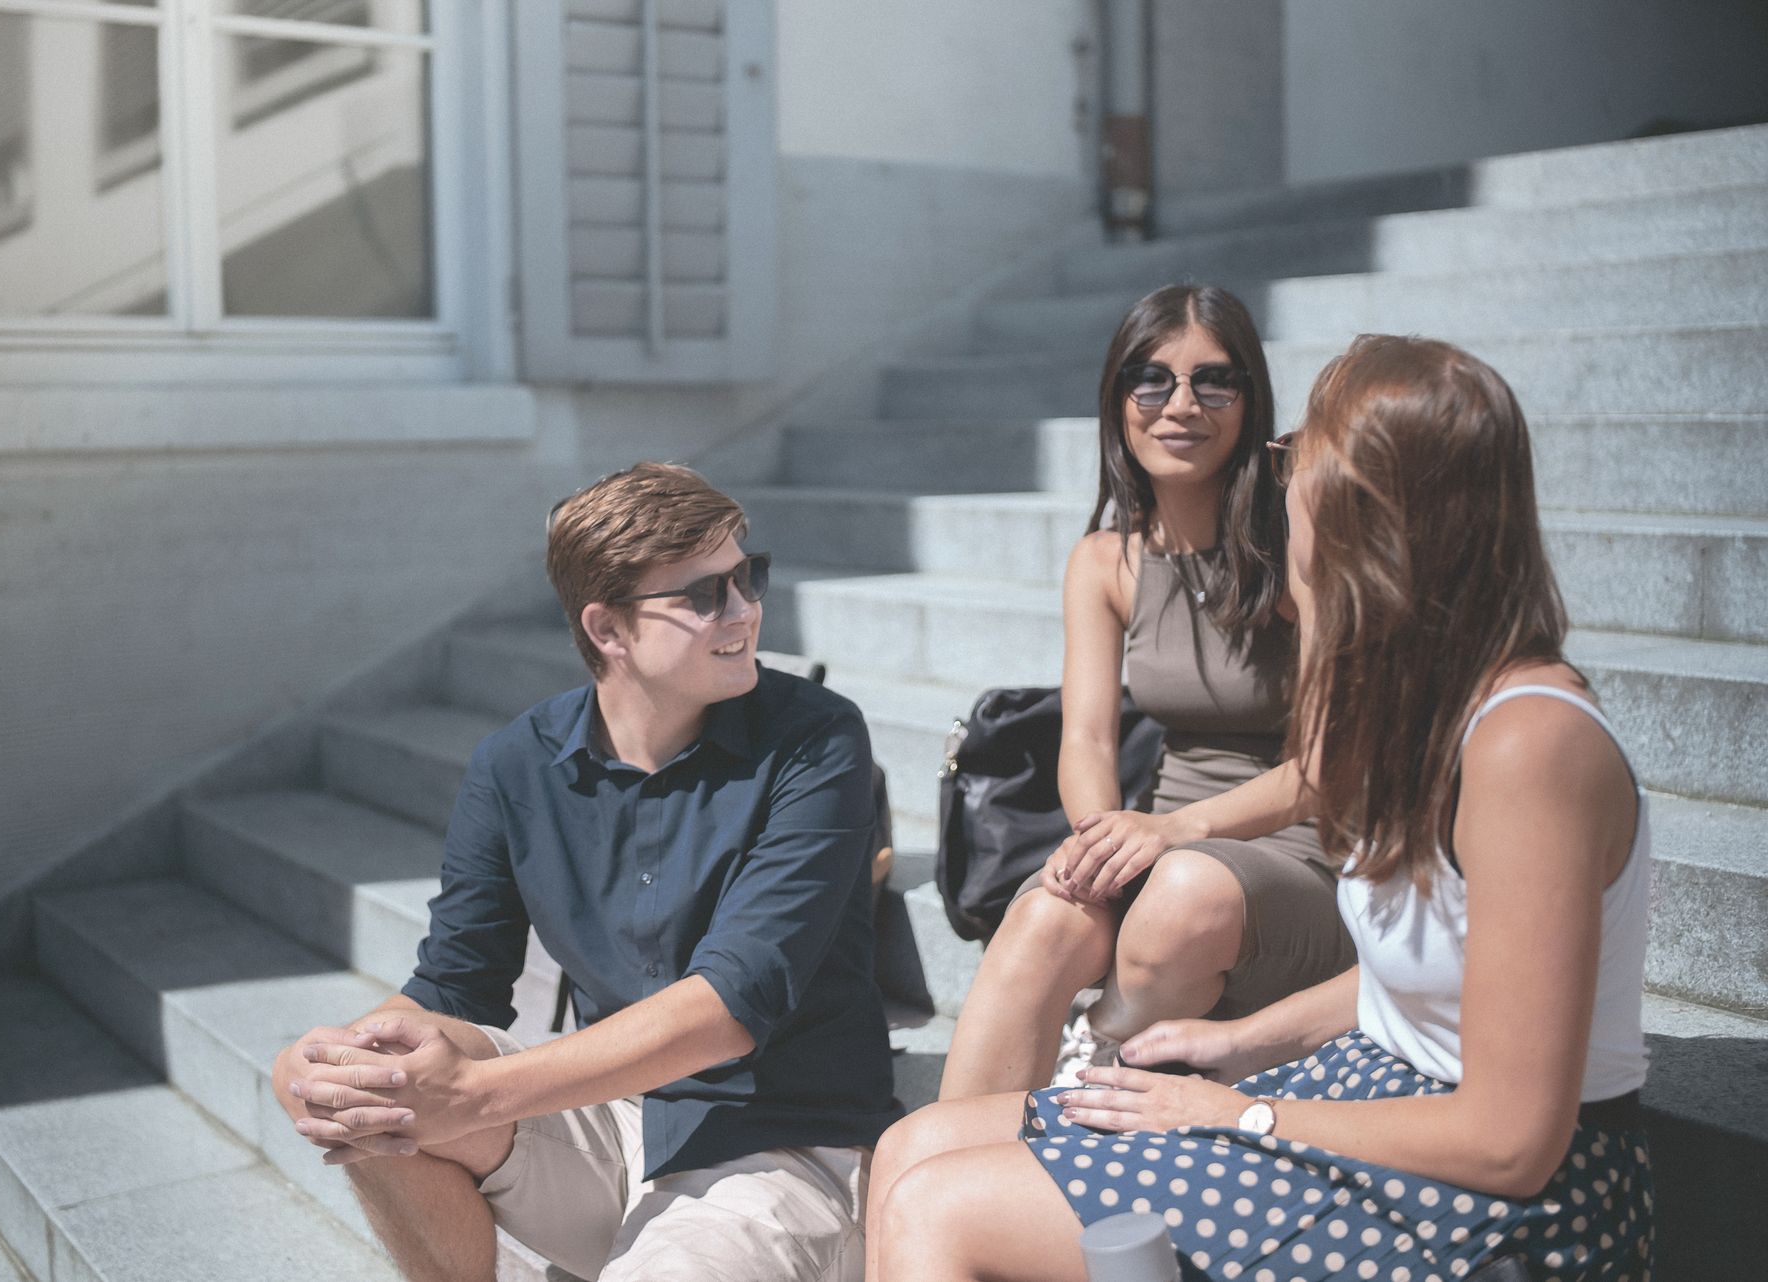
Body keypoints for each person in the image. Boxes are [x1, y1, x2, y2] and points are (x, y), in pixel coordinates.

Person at [866, 335, 1656, 1282]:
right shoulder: (1419, 710)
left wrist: (1240, 1110)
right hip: (1381, 1091)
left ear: (1369, 504)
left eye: (1297, 456)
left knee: (938, 1212)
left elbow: (1511, 1140)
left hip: (1497, 1200)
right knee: (919, 1147)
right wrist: (1238, 1042)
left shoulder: (1529, 747)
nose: (1280, 483)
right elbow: (1431, 977)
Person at [271, 462, 899, 1282]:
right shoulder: (514, 765)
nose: (744, 610)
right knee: (364, 1097)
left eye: (747, 577)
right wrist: (329, 1061)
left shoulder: (817, 739)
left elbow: (731, 1006)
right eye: (703, 595)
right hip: (609, 1121)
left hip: (777, 1142)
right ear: (607, 631)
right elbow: (454, 986)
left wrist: (476, 1093)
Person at [938, 284, 1354, 1100]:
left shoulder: (1300, 547)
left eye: (1214, 381)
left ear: (1249, 400)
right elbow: (1088, 741)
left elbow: (1332, 765)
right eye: (1152, 380)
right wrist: (1103, 841)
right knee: (1044, 916)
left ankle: (1096, 1078)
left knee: (1181, 896)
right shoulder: (1106, 560)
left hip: (1298, 852)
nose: (1181, 405)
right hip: (1160, 834)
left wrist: (1177, 830)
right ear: (1119, 399)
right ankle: (942, 1165)